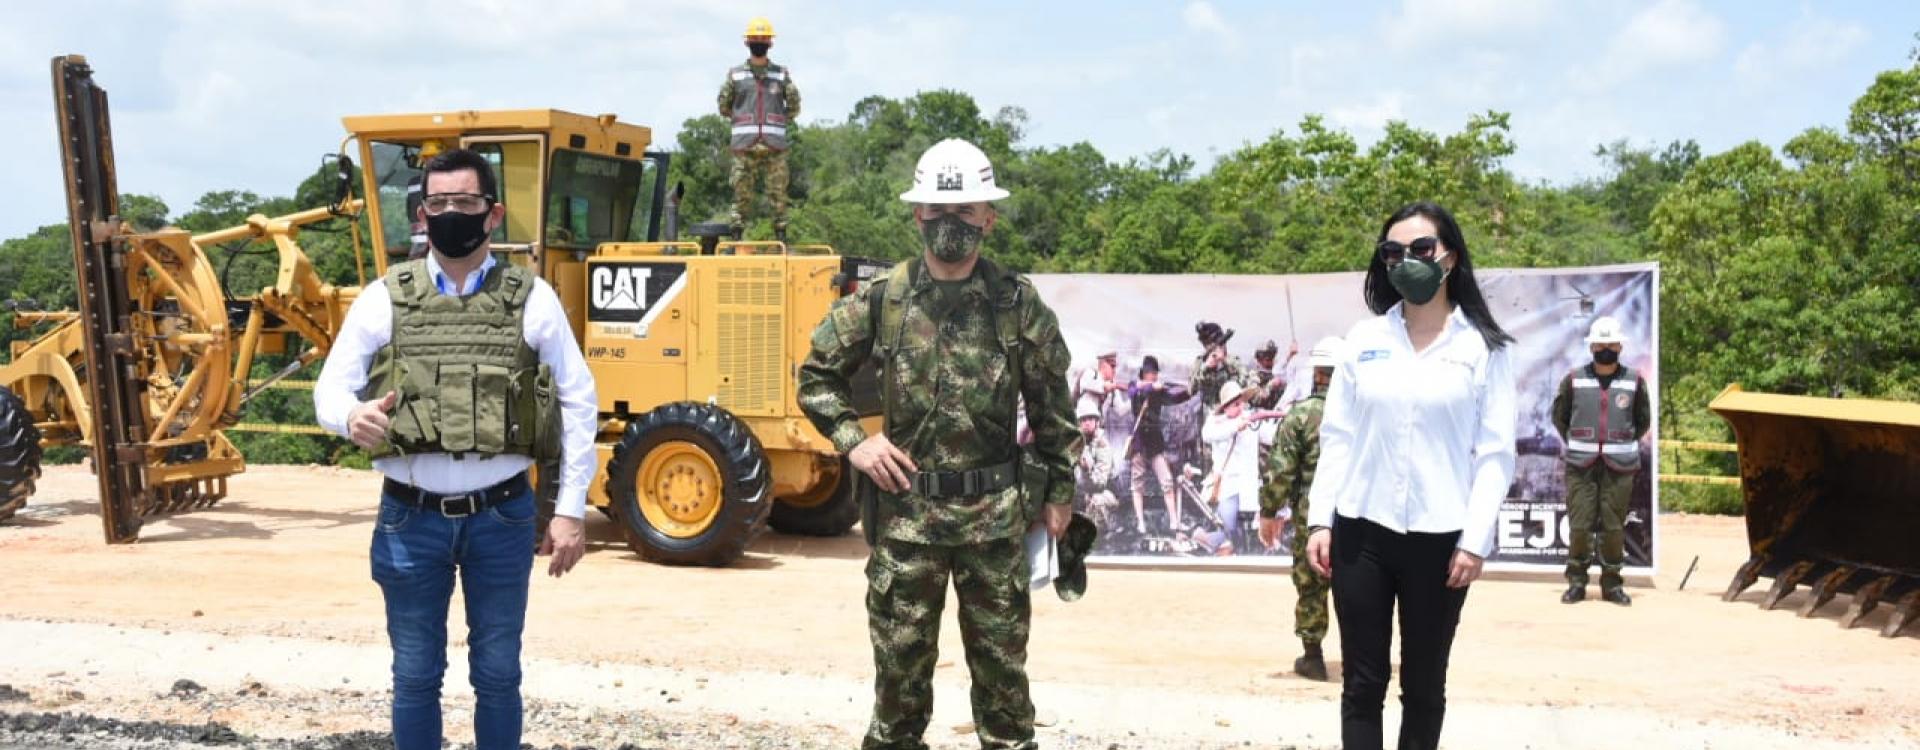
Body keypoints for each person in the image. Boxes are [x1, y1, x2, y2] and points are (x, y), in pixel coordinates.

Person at [313, 148, 598, 750]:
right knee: (414, 676)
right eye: (437, 204)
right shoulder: (385, 297)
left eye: (464, 204)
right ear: (421, 213)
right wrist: (350, 416)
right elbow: (329, 389)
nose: (450, 215)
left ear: (492, 215)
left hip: (502, 517)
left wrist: (570, 509)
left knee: (498, 675)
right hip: (409, 517)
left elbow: (578, 401)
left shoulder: (533, 298)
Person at [797, 138, 1076, 750]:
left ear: (988, 218)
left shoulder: (1017, 305)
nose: (952, 224)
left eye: (966, 212)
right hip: (907, 522)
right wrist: (855, 442)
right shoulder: (883, 300)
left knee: (1005, 698)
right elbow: (814, 376)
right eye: (939, 212)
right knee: (897, 698)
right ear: (918, 215)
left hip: (993, 522)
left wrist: (1060, 490)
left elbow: (1053, 408)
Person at [1302, 202, 1516, 750]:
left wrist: (1475, 542)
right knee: (1362, 684)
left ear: (1450, 257)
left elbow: (1495, 454)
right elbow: (1339, 438)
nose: (1406, 262)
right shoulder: (1364, 340)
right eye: (1392, 253)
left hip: (1440, 543)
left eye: (1421, 250)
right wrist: (1319, 521)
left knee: (1423, 686)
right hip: (1360, 534)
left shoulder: (1483, 348)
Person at [1259, 336, 1343, 682]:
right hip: (1360, 516)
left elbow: (1281, 470)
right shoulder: (1365, 414)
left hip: (1312, 518)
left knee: (1311, 583)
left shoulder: (1301, 415)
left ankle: (1313, 657)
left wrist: (1269, 511)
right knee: (1358, 588)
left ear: (1318, 375)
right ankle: (1363, 656)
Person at [1552, 315, 1651, 606]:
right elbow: (1560, 417)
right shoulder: (1573, 379)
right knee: (1580, 525)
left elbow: (1642, 421)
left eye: (1611, 343)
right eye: (1600, 344)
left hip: (1619, 467)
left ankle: (1612, 585)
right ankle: (1577, 583)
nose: (1605, 348)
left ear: (1620, 346)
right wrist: (1578, 441)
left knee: (1613, 527)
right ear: (1591, 347)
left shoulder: (1634, 381)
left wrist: (1620, 442)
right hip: (1580, 465)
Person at [718, 16, 801, 242]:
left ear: (770, 44)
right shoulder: (735, 75)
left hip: (774, 145)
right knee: (740, 194)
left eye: (763, 39)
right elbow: (723, 106)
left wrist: (779, 121)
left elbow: (794, 105)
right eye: (756, 39)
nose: (759, 43)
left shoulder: (780, 74)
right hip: (745, 144)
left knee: (779, 195)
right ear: (747, 43)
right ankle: (736, 237)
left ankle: (781, 237)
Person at [1124, 356, 1193, 535]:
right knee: (1137, 484)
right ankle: (1140, 523)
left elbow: (1175, 397)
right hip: (1139, 441)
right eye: (1151, 373)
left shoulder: (1158, 391)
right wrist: (1150, 386)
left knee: (1167, 481)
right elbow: (1132, 391)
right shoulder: (1136, 386)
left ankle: (1174, 522)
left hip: (1154, 441)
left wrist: (1189, 389)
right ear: (1144, 373)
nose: (1153, 376)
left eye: (1155, 373)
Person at [1197, 381, 1261, 556]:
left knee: (1249, 533)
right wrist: (1235, 426)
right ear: (1225, 408)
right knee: (1228, 528)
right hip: (1228, 486)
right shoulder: (1216, 422)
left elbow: (1270, 435)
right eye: (1234, 405)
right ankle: (1206, 540)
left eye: (1241, 403)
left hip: (1249, 485)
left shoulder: (1251, 418)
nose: (1240, 407)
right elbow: (1207, 435)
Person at [1073, 403, 1120, 530]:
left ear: (1097, 422)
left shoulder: (1102, 445)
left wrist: (1085, 471)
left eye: (1090, 419)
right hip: (1084, 492)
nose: (1086, 423)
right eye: (1083, 420)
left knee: (1096, 501)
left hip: (1106, 493)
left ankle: (1107, 530)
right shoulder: (1077, 443)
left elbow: (1100, 484)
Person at [1072, 350, 1123, 420]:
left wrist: (1134, 393)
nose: (1114, 371)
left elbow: (1121, 410)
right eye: (1112, 366)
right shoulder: (1090, 374)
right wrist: (1117, 386)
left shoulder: (1112, 387)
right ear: (1103, 365)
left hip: (1098, 427)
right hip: (1081, 423)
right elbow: (1101, 387)